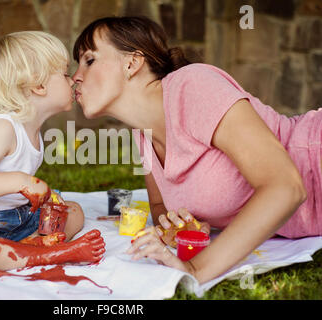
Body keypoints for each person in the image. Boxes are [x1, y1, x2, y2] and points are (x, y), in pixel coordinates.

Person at [72, 16, 321, 284]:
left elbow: (285, 187)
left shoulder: (193, 86)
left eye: (89, 60)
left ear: (131, 63)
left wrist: (195, 269)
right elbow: (159, 206)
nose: (76, 77)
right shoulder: (142, 133)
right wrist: (176, 225)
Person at [0, 31, 105, 270]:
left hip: (13, 217)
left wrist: (47, 201)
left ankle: (28, 246)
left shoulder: (33, 132)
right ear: (39, 85)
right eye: (65, 74)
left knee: (73, 212)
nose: (73, 79)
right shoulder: (3, 128)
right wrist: (22, 182)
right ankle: (51, 253)